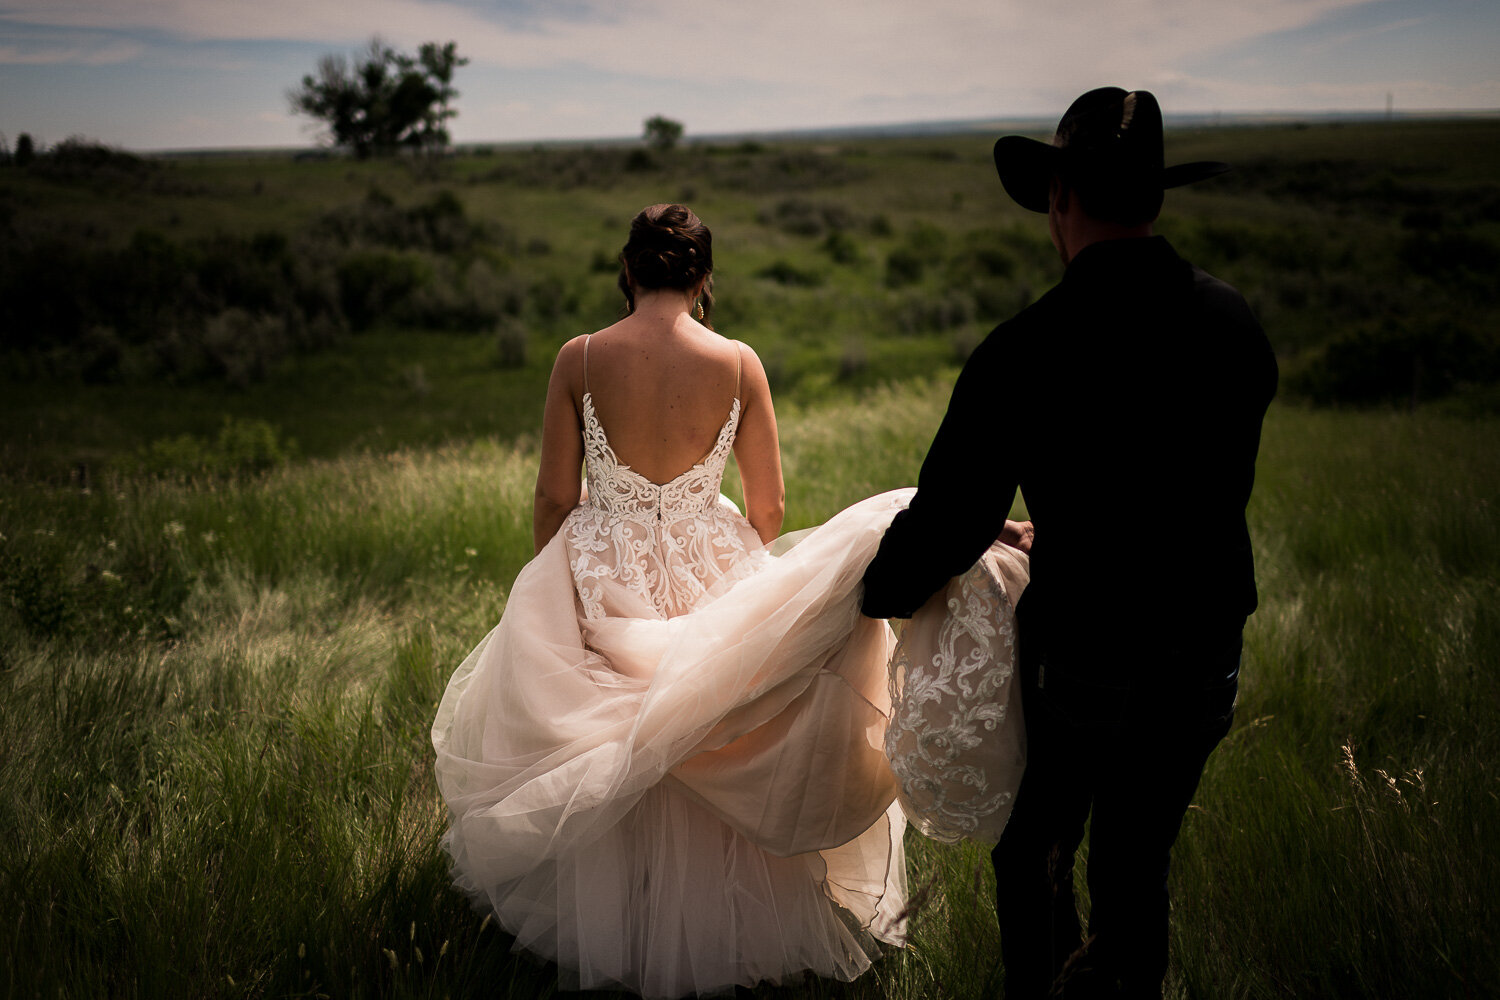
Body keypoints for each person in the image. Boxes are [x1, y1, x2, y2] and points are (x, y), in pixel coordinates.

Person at [435, 204, 940, 999]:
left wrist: (557, 586)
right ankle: (732, 929)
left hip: (606, 566)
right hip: (713, 557)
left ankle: (621, 922)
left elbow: (552, 497)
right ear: (705, 280)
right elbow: (769, 506)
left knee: (622, 732)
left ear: (629, 271)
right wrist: (726, 545)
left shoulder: (581, 356)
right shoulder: (739, 363)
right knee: (713, 722)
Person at [861, 88, 1278, 998]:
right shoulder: (1234, 323)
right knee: (1138, 867)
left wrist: (876, 585)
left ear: (1058, 198)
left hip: (1089, 663)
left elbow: (950, 521)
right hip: (1207, 658)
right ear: (1154, 197)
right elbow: (1194, 484)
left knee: (1038, 856)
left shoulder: (1028, 348)